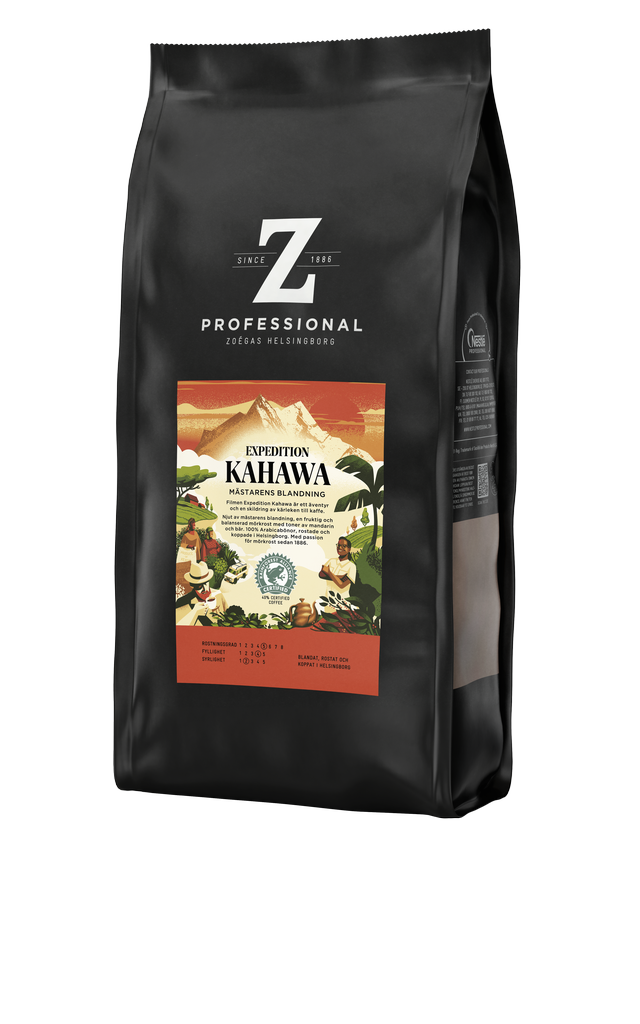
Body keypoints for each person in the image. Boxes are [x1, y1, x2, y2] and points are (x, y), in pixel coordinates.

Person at [175, 560, 227, 625]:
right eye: (199, 586)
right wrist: (194, 612)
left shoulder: (218, 595)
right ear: (192, 585)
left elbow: (228, 618)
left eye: (206, 583)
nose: (204, 589)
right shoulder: (182, 602)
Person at [319, 536, 357, 605]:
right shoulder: (331, 561)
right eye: (339, 545)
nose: (340, 548)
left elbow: (342, 585)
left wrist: (329, 572)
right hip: (328, 601)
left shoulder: (351, 566)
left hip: (343, 603)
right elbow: (321, 574)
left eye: (344, 546)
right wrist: (340, 577)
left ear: (349, 549)